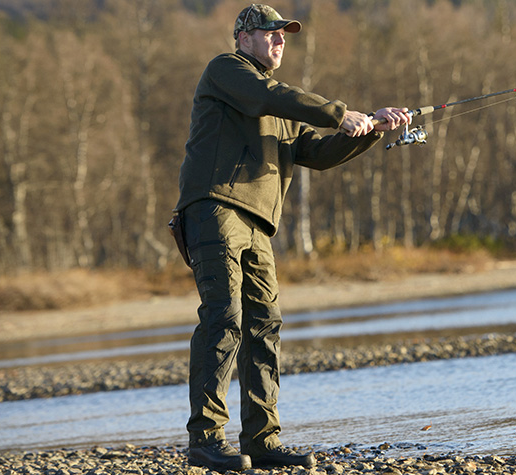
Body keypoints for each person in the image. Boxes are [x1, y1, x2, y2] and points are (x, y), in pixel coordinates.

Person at [171, 3, 412, 472]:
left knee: (265, 324)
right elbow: (269, 97)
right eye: (271, 33)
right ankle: (204, 439)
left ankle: (261, 441)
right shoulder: (227, 71)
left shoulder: (280, 107)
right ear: (243, 37)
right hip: (214, 209)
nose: (280, 41)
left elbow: (316, 153)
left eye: (285, 35)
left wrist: (371, 128)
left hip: (258, 223)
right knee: (225, 317)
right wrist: (340, 112)